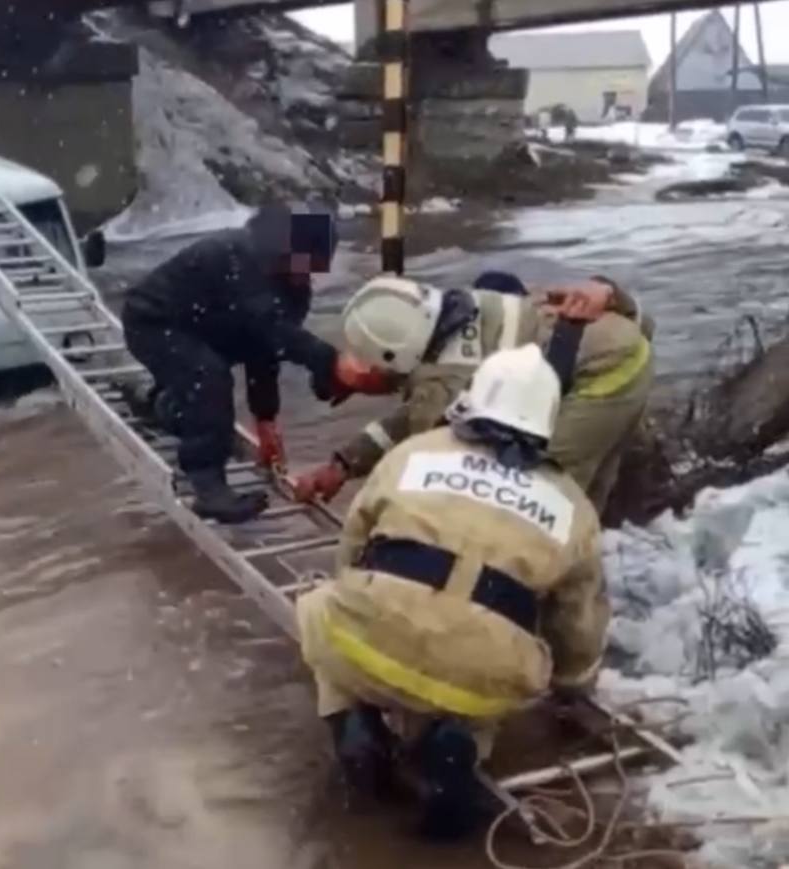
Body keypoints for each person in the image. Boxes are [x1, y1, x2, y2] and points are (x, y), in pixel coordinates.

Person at [296, 345, 609, 839]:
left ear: (474, 398)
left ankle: (352, 721)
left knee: (318, 606)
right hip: (475, 676)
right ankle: (458, 742)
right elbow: (578, 623)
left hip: (366, 643)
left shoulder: (414, 453)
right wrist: (574, 689)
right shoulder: (574, 507)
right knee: (478, 683)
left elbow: (352, 545)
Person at [293, 273, 654, 514]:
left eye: (368, 363)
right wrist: (344, 462)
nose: (363, 374)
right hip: (620, 347)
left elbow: (435, 464)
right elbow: (405, 416)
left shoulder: (440, 384)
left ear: (394, 354)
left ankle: (537, 606)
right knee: (587, 503)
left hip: (602, 377)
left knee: (542, 500)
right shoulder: (465, 305)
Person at [121, 204, 391, 524]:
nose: (306, 274)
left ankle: (158, 404)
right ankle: (208, 488)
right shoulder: (244, 259)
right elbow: (272, 328)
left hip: (202, 324)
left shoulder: (293, 286)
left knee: (206, 383)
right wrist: (331, 362)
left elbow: (265, 352)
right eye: (302, 263)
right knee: (209, 378)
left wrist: (266, 420)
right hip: (152, 321)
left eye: (313, 267)